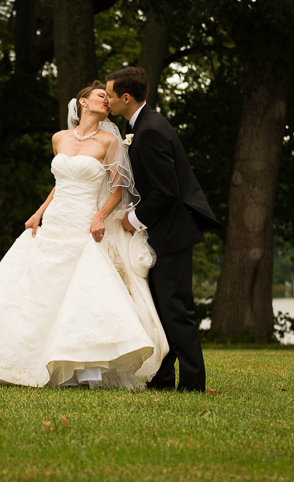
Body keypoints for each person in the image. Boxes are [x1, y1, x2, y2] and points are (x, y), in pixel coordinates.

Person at [0, 82, 168, 389]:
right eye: (101, 96)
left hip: (85, 222)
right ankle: (22, 360)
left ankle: (86, 370)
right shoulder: (59, 138)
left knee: (83, 291)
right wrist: (38, 213)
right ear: (83, 102)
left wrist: (99, 217)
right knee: (39, 288)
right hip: (56, 219)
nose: (108, 100)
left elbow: (118, 190)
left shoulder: (108, 142)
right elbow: (60, 182)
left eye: (109, 97)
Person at [105, 67, 220, 392]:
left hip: (171, 235)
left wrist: (134, 219)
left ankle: (194, 383)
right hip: (163, 233)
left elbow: (166, 191)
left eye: (111, 95)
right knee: (162, 307)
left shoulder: (152, 130)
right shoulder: (142, 125)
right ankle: (164, 378)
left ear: (126, 98)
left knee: (176, 308)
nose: (109, 100)